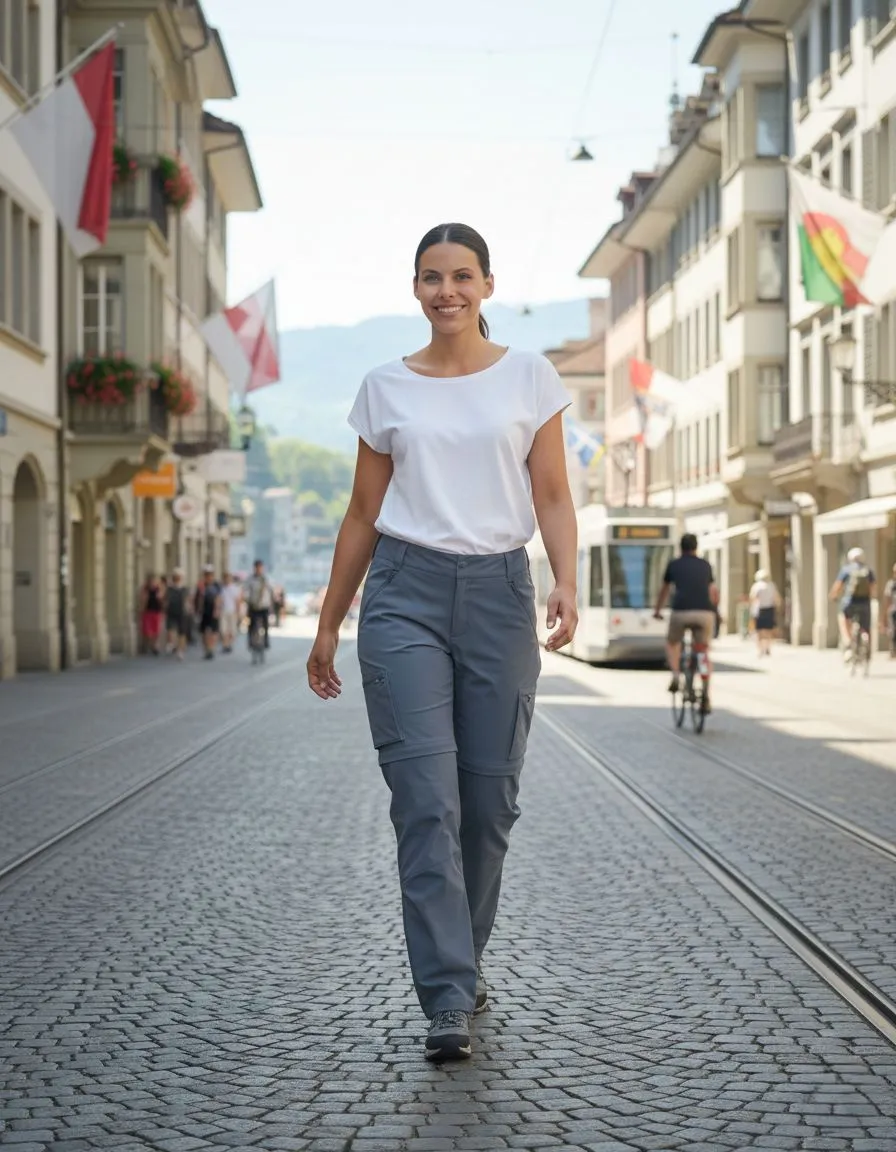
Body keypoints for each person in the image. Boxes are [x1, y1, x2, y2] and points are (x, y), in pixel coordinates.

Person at [306, 222, 578, 1063]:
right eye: (432, 277)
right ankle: (447, 996)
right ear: (415, 288)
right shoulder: (385, 387)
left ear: (488, 286)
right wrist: (328, 622)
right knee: (426, 802)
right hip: (404, 597)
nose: (447, 290)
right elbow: (361, 512)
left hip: (499, 592)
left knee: (487, 805)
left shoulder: (531, 377)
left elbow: (555, 493)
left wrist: (568, 581)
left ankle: (464, 961)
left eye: (463, 276)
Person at [653, 533, 719, 711]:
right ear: (696, 547)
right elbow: (712, 591)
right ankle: (705, 691)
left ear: (680, 548)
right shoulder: (706, 565)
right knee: (703, 649)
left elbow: (664, 590)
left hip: (681, 611)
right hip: (705, 613)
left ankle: (675, 674)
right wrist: (714, 611)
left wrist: (657, 610)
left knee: (672, 642)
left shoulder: (674, 564)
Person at [830, 547, 876, 657]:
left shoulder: (846, 570)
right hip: (865, 603)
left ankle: (848, 641)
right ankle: (866, 639)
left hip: (849, 602)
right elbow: (873, 588)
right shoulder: (868, 571)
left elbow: (838, 586)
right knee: (865, 626)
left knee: (843, 618)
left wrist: (833, 596)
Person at [748, 568, 781, 657]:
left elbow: (753, 597)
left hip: (759, 609)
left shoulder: (756, 586)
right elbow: (776, 598)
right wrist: (777, 607)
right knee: (769, 630)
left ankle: (760, 649)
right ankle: (768, 648)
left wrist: (752, 607)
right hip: (770, 609)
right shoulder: (771, 585)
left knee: (759, 631)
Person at [243, 559, 273, 650]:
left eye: (260, 567)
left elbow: (271, 591)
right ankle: (250, 642)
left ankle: (266, 641)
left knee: (265, 625)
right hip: (253, 605)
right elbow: (245, 591)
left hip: (264, 606)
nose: (258, 569)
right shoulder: (250, 579)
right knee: (250, 625)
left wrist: (271, 604)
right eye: (257, 567)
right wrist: (247, 600)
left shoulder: (266, 579)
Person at [195, 564, 222, 661]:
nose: (208, 576)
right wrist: (198, 609)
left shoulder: (216, 585)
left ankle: (211, 648)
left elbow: (218, 598)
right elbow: (198, 598)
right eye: (206, 574)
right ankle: (206, 649)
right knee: (204, 632)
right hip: (204, 610)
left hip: (213, 609)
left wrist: (217, 609)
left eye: (210, 574)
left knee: (214, 631)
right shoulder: (201, 585)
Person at [164, 567, 189, 660]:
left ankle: (180, 651)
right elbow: (165, 600)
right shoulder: (169, 589)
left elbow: (187, 600)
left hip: (182, 612)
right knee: (170, 629)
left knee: (181, 633)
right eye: (175, 577)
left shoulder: (184, 589)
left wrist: (188, 609)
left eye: (178, 577)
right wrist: (165, 606)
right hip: (171, 611)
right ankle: (171, 644)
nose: (177, 579)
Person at [139, 574, 165, 655]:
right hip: (148, 611)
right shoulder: (145, 589)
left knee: (156, 630)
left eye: (154, 581)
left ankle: (154, 646)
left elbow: (162, 600)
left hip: (157, 611)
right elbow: (143, 600)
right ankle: (148, 645)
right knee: (147, 630)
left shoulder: (158, 589)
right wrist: (141, 610)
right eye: (150, 581)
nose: (152, 583)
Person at [218, 572, 242, 653]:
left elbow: (237, 601)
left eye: (228, 578)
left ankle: (229, 644)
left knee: (232, 630)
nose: (226, 580)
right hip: (223, 611)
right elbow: (219, 600)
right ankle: (225, 645)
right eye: (225, 578)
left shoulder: (235, 588)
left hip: (232, 611)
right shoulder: (222, 588)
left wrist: (238, 612)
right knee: (223, 629)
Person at [885, 564, 896, 659]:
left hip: (893, 609)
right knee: (892, 631)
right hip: (893, 610)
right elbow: (887, 599)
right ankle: (893, 652)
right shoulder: (891, 584)